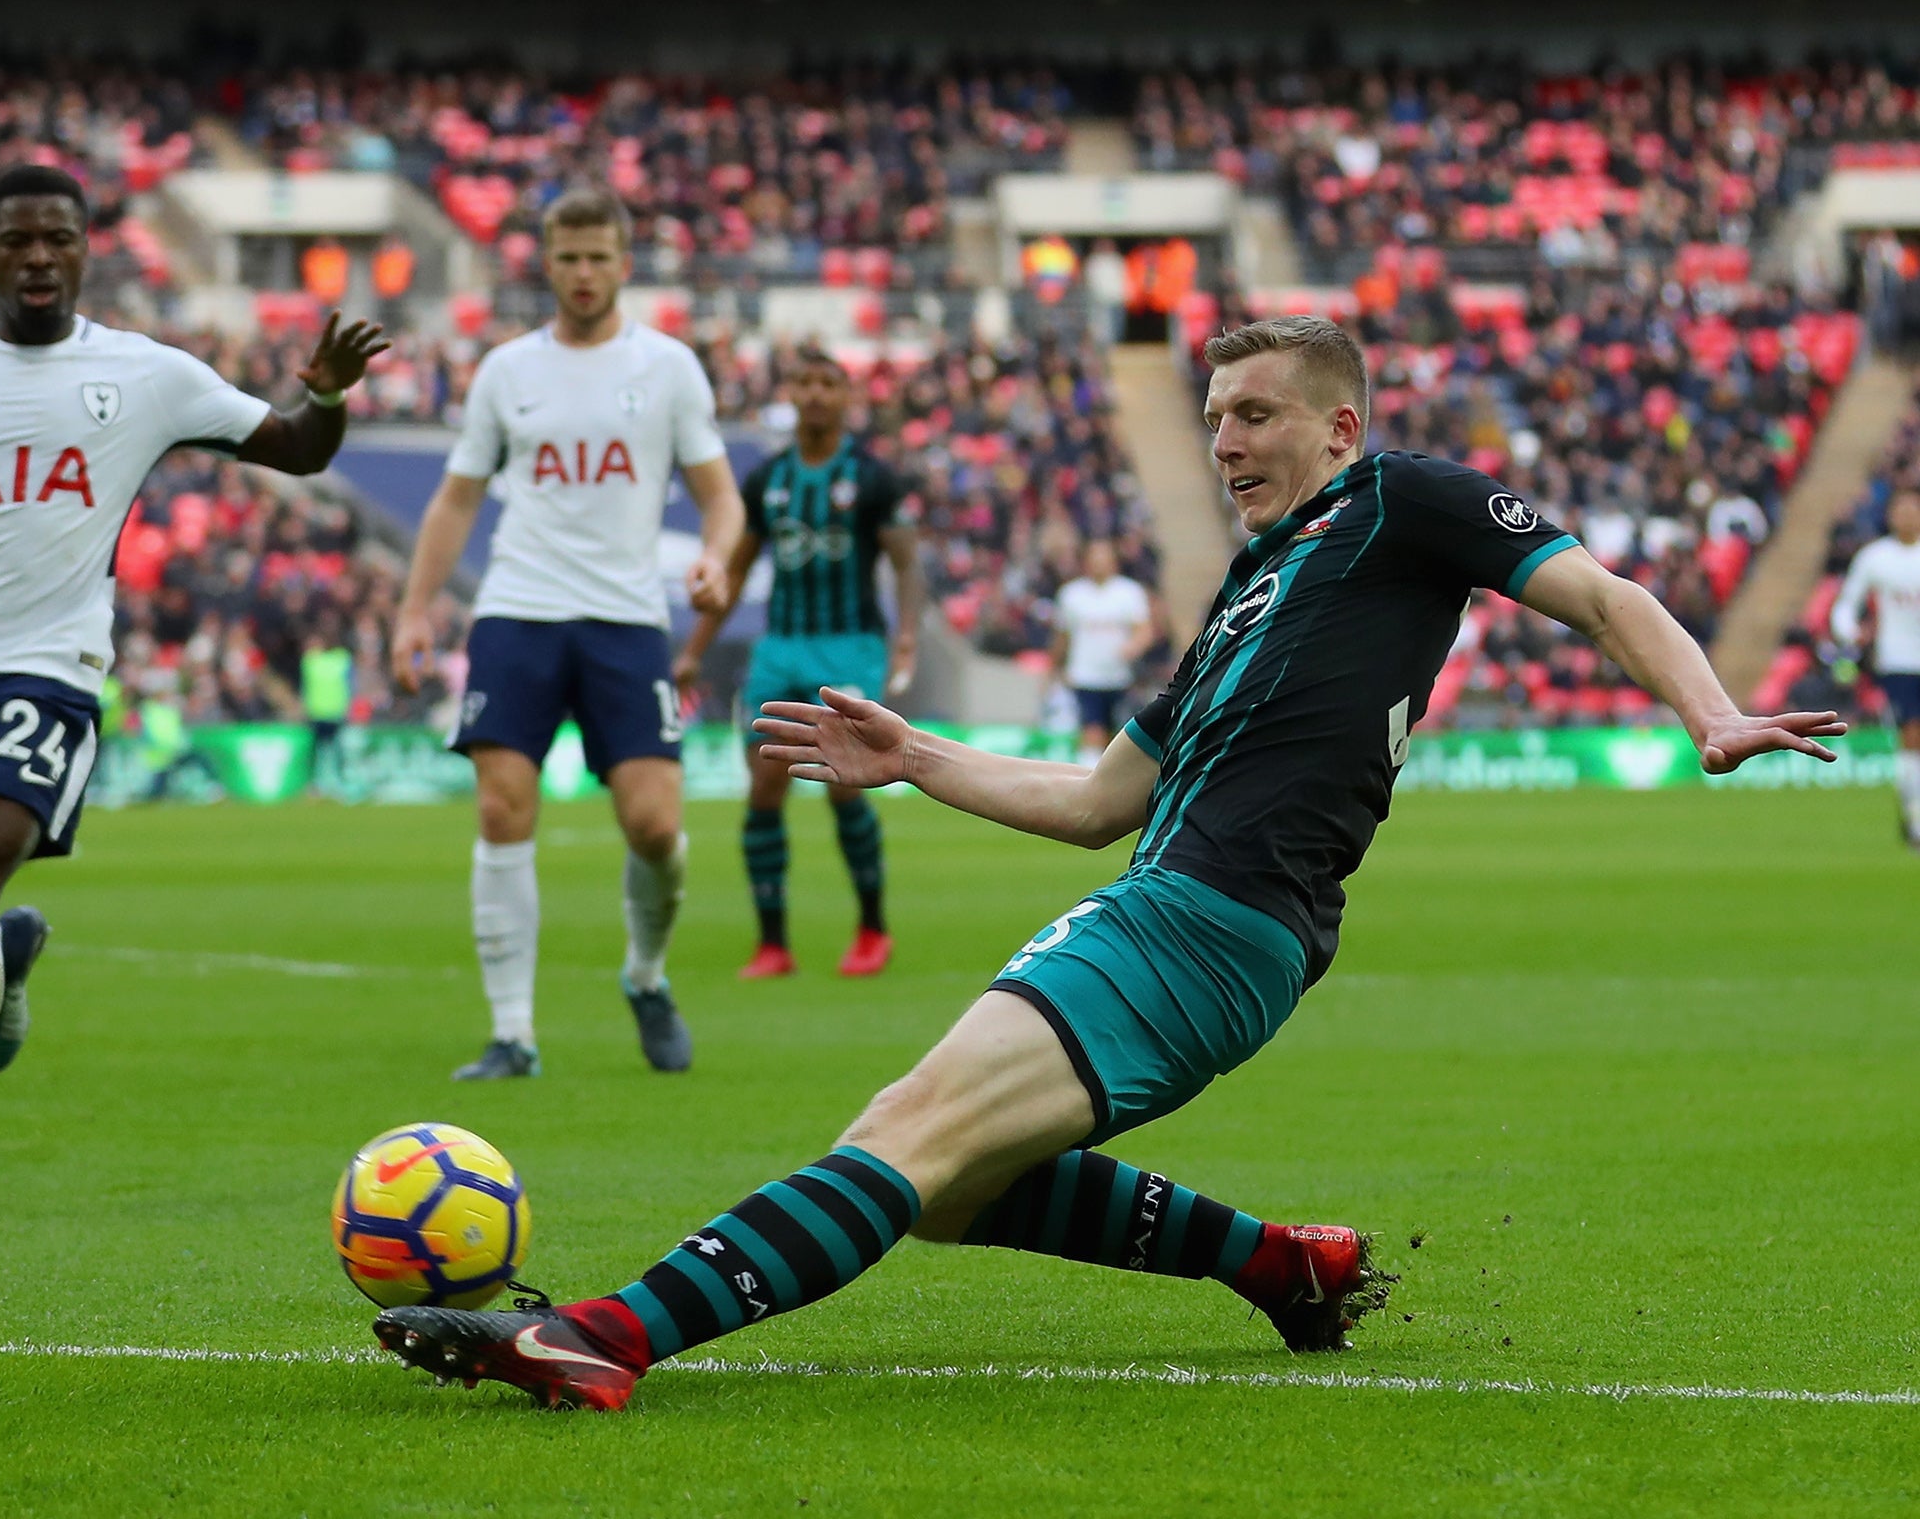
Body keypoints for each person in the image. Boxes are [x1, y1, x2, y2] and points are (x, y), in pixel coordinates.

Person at [366, 315, 1843, 1411]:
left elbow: (1600, 593)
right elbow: (1093, 797)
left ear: (1338, 429)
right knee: (944, 1188)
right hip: (1174, 905)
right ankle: (1284, 1265)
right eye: (1213, 416)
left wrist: (1708, 710)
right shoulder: (1248, 597)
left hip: (1215, 921)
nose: (1226, 441)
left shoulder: (1401, 500)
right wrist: (919, 757)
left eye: (1258, 414)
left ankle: (604, 1338)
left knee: (910, 1131)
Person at [0, 165, 387, 1216]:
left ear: (88, 246)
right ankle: (6, 957)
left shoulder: (146, 374)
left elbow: (292, 448)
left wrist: (324, 393)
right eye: (19, 241)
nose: (41, 258)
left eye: (59, 237)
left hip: (46, 670)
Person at [390, 188, 745, 1081]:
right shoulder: (508, 372)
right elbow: (458, 498)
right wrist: (413, 609)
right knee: (504, 806)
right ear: (544, 265)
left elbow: (721, 496)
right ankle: (513, 1034)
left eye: (599, 257)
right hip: (518, 609)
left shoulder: (667, 368)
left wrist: (715, 557)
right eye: (568, 257)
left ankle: (646, 975)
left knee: (655, 827)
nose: (583, 273)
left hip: (625, 619)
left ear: (624, 265)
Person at [673, 349, 922, 981]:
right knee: (762, 791)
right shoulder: (768, 481)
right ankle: (773, 944)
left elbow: (905, 562)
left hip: (848, 646)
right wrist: (694, 650)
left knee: (844, 786)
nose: (814, 395)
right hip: (779, 648)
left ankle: (872, 929)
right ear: (790, 393)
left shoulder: (872, 477)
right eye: (803, 383)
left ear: (845, 397)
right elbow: (733, 572)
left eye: (827, 384)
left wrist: (908, 638)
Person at [1830, 485, 1920, 844]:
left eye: (1912, 509)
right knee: (1912, 737)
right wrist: (1850, 632)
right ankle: (1914, 817)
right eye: (1901, 509)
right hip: (1898, 663)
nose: (1907, 516)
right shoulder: (1875, 558)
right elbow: (1845, 604)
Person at [1050, 539, 1156, 757]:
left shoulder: (1129, 592)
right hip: (1085, 677)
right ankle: (1088, 779)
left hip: (1119, 678)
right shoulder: (1072, 594)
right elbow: (1063, 637)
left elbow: (1144, 631)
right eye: (1094, 559)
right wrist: (1053, 668)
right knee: (1091, 732)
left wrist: (1133, 647)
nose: (1099, 564)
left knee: (1120, 737)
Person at [302, 616, 355, 795]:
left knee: (336, 751)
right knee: (318, 751)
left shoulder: (340, 659)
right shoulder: (312, 660)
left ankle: (338, 783)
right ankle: (317, 785)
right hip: (318, 712)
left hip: (335, 711)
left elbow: (350, 685)